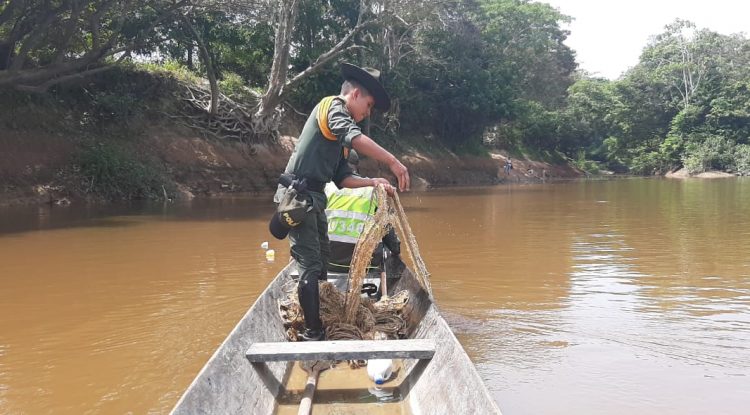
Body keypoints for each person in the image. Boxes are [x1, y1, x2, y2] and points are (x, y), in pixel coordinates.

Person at [269, 62, 409, 341]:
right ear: (355, 94)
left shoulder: (337, 137)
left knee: (321, 262)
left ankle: (321, 313)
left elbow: (343, 178)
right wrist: (393, 162)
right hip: (299, 198)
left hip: (315, 198)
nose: (366, 113)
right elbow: (355, 137)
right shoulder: (332, 107)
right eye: (368, 106)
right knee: (310, 266)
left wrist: (373, 182)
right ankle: (313, 331)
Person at [324, 150, 401, 275]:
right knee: (386, 250)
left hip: (329, 263)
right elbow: (392, 240)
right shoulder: (374, 190)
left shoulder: (326, 188)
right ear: (356, 168)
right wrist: (396, 250)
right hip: (366, 266)